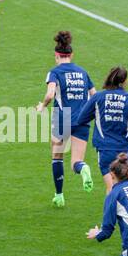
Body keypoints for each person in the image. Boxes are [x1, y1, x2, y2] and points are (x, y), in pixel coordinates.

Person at [36, 30, 96, 205]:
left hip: (63, 118)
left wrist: (42, 106)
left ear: (56, 56)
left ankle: (59, 195)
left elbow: (50, 94)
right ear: (71, 55)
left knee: (57, 156)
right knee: (76, 161)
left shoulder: (54, 72)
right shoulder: (83, 72)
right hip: (83, 120)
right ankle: (83, 169)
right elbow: (94, 95)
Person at [74, 66, 128, 186]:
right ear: (124, 81)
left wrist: (99, 113)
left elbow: (81, 119)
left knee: (112, 189)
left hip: (105, 149)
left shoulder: (98, 97)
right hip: (125, 150)